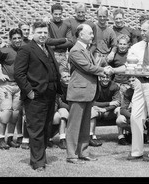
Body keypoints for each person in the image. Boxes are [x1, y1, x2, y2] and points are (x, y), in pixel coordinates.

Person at [111, 19, 149, 161]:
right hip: (139, 84)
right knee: (135, 117)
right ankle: (136, 151)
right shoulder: (136, 47)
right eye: (141, 30)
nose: (142, 33)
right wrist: (112, 69)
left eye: (144, 30)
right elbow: (128, 66)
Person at [14, 21, 63, 171]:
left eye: (44, 33)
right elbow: (19, 73)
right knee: (36, 128)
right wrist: (29, 92)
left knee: (46, 127)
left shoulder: (47, 48)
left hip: (50, 94)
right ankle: (38, 162)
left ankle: (40, 157)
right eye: (39, 32)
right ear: (32, 33)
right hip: (36, 95)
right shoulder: (26, 49)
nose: (42, 35)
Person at [65, 24, 111, 164]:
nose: (92, 36)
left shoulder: (85, 49)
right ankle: (71, 155)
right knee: (74, 125)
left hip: (87, 92)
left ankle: (83, 152)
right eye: (90, 33)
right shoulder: (75, 50)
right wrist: (104, 70)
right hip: (79, 92)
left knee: (85, 125)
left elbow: (91, 66)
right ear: (80, 35)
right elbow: (87, 67)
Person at [0, 28, 23, 149]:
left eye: (19, 38)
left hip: (18, 86)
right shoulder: (4, 50)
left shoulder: (25, 50)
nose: (17, 40)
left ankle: (10, 138)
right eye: (14, 38)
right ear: (10, 39)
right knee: (6, 112)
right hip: (6, 85)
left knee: (15, 114)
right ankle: (1, 138)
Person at [89, 74, 121, 147]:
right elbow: (91, 102)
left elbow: (117, 102)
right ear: (100, 78)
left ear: (110, 78)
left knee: (119, 109)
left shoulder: (114, 86)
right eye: (103, 77)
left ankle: (121, 136)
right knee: (91, 110)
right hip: (97, 109)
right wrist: (108, 103)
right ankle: (91, 136)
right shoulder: (95, 86)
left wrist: (105, 109)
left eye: (107, 77)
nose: (105, 79)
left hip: (109, 110)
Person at [44, 3, 73, 68]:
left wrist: (54, 46)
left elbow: (70, 42)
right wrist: (63, 40)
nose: (58, 16)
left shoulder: (67, 24)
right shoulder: (48, 24)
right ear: (51, 13)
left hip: (63, 55)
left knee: (64, 76)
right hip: (51, 54)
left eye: (60, 14)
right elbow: (47, 40)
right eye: (56, 14)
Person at [48, 69, 70, 149]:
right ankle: (49, 137)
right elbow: (60, 103)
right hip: (58, 108)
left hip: (66, 109)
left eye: (68, 76)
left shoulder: (72, 86)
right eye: (65, 77)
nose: (67, 79)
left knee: (64, 113)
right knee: (63, 113)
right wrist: (72, 108)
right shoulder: (58, 87)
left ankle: (62, 139)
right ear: (60, 79)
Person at [116, 76, 136, 145]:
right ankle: (121, 137)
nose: (131, 83)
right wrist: (132, 117)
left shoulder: (145, 90)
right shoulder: (128, 92)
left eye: (133, 81)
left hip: (145, 116)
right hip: (133, 116)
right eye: (129, 81)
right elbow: (122, 109)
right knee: (120, 119)